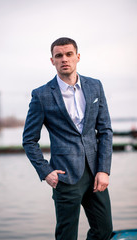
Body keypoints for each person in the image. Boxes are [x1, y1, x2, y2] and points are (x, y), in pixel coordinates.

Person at [22, 37, 113, 240]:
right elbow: (29, 140)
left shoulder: (95, 86)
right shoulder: (42, 95)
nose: (64, 59)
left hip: (96, 174)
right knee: (66, 236)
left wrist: (104, 169)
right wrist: (45, 171)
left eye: (69, 54)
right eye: (59, 55)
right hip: (64, 176)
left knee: (104, 230)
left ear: (77, 57)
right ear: (52, 61)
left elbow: (105, 130)